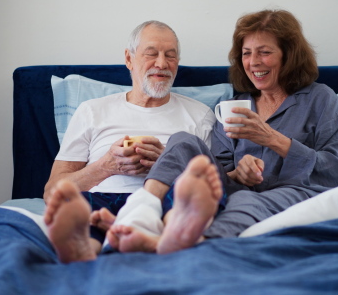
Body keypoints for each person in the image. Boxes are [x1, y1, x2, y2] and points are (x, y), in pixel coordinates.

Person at [45, 9, 338, 259]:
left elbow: (337, 171)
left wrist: (272, 138)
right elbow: (218, 172)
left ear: (289, 55)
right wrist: (238, 172)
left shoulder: (321, 100)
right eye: (247, 53)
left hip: (288, 191)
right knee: (182, 141)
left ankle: (172, 243)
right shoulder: (233, 104)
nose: (254, 62)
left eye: (265, 52)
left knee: (244, 205)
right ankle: (139, 216)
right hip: (228, 190)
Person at [42, 20, 216, 261]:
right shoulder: (92, 111)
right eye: (151, 53)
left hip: (163, 201)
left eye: (171, 56)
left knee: (184, 207)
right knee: (82, 206)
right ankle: (88, 249)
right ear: (129, 59)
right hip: (102, 198)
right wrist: (106, 166)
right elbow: (51, 192)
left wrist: (167, 162)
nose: (162, 63)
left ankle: (139, 236)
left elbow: (215, 183)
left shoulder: (200, 115)